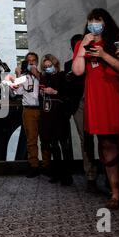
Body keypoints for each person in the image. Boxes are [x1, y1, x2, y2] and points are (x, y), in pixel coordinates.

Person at [72, 8, 119, 212]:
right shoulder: (82, 44)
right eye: (90, 20)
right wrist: (83, 45)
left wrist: (103, 54)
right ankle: (115, 192)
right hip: (97, 99)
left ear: (106, 22)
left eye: (98, 20)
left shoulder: (118, 41)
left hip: (118, 97)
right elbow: (78, 71)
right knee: (106, 145)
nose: (94, 23)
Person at [64, 34, 97, 192]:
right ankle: (91, 176)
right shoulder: (69, 65)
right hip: (80, 104)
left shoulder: (95, 58)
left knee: (107, 140)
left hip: (97, 102)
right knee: (86, 141)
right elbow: (67, 88)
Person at [39, 54, 73, 185]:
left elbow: (67, 95)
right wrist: (42, 93)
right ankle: (57, 173)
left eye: (49, 66)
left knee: (64, 145)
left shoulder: (63, 76)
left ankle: (67, 175)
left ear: (55, 64)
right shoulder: (44, 78)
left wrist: (55, 92)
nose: (47, 68)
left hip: (60, 114)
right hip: (47, 115)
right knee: (53, 145)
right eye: (45, 67)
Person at [12, 52, 44, 177]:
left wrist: (36, 73)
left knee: (46, 139)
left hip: (43, 110)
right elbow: (16, 92)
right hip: (29, 111)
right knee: (31, 140)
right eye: (29, 60)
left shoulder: (42, 75)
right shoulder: (23, 76)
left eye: (33, 60)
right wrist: (18, 74)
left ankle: (47, 165)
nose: (31, 62)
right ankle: (34, 166)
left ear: (37, 61)